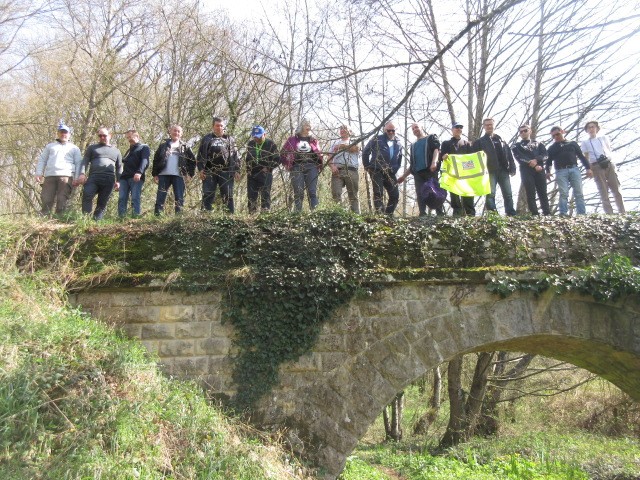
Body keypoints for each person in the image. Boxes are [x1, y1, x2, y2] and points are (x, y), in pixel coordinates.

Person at [35, 121, 82, 216]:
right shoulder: (50, 146)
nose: (63, 134)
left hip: (66, 176)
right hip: (50, 176)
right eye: (61, 132)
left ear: (69, 134)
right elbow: (42, 160)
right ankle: (44, 218)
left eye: (65, 132)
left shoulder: (74, 148)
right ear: (58, 133)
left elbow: (78, 163)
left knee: (62, 199)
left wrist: (77, 178)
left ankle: (60, 219)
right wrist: (39, 172)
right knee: (46, 198)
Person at [472, 118, 516, 216]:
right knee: (490, 194)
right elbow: (473, 157)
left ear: (493, 125)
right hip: (489, 170)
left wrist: (512, 168)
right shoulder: (480, 142)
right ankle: (493, 214)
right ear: (483, 127)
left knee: (508, 194)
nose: (489, 126)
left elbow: (509, 155)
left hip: (504, 170)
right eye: (487, 125)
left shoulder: (502, 140)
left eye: (490, 124)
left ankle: (511, 213)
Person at [545, 126, 593, 216]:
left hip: (574, 169)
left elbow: (581, 157)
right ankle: (563, 213)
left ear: (562, 132)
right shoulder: (551, 148)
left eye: (557, 134)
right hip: (560, 171)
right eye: (553, 136)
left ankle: (581, 213)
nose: (556, 137)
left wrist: (588, 168)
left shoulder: (572, 143)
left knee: (578, 192)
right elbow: (548, 161)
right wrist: (547, 171)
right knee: (563, 193)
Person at [581, 121, 625, 214]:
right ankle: (609, 214)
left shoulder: (604, 138)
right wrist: (588, 169)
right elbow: (586, 157)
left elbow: (608, 149)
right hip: (596, 166)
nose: (591, 129)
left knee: (616, 189)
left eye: (593, 127)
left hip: (608, 164)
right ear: (586, 130)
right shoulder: (585, 142)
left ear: (597, 128)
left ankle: (622, 212)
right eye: (589, 127)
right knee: (603, 191)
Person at [197, 116, 240, 213]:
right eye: (217, 125)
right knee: (208, 194)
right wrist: (200, 169)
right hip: (209, 171)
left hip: (226, 171)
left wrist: (237, 170)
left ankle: (229, 217)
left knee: (228, 195)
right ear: (213, 126)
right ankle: (205, 216)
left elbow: (235, 156)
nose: (219, 127)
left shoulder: (230, 139)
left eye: (221, 126)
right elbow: (200, 155)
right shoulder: (207, 138)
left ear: (224, 127)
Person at [398, 122, 442, 216]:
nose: (415, 130)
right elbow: (412, 164)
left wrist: (434, 162)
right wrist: (404, 176)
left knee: (434, 191)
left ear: (421, 127)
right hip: (418, 173)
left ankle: (440, 213)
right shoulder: (413, 145)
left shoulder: (430, 138)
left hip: (430, 170)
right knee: (420, 193)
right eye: (413, 129)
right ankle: (422, 214)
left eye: (416, 127)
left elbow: (436, 150)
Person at [78, 127, 122, 220]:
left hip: (109, 179)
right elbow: (85, 161)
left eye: (104, 135)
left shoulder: (116, 151)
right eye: (100, 135)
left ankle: (96, 222)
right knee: (87, 195)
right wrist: (82, 173)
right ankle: (85, 220)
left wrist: (119, 181)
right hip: (93, 177)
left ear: (110, 136)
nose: (102, 137)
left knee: (102, 203)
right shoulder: (92, 148)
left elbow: (119, 167)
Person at [151, 124, 196, 215]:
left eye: (178, 131)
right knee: (160, 197)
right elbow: (156, 160)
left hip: (179, 175)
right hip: (163, 175)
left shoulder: (185, 147)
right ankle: (157, 217)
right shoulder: (163, 146)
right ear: (170, 132)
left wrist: (190, 174)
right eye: (174, 131)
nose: (176, 133)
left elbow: (192, 161)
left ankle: (178, 218)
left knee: (179, 197)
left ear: (181, 134)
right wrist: (155, 174)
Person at [280, 119, 323, 212]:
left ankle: (315, 213)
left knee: (312, 191)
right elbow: (282, 153)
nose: (309, 126)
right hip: (296, 166)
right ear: (301, 126)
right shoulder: (292, 139)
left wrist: (319, 162)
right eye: (306, 125)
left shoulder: (314, 140)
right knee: (298, 192)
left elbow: (319, 153)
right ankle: (297, 214)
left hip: (311, 166)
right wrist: (286, 164)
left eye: (310, 125)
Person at [362, 121, 402, 215]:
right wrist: (367, 167)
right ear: (384, 130)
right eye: (389, 131)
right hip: (376, 169)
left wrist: (396, 168)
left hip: (391, 172)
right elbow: (365, 152)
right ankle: (380, 216)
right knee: (378, 193)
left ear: (396, 130)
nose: (391, 132)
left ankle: (388, 215)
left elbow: (400, 158)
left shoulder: (399, 143)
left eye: (393, 130)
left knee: (395, 195)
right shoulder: (377, 139)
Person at [511, 125, 550, 215]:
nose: (523, 133)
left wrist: (536, 160)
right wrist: (534, 164)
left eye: (525, 130)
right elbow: (519, 158)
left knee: (543, 192)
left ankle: (547, 213)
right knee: (530, 192)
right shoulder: (516, 146)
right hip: (526, 170)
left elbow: (545, 155)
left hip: (540, 170)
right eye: (521, 132)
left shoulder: (539, 143)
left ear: (530, 131)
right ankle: (534, 214)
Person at [440, 122, 475, 216]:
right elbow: (441, 157)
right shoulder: (446, 143)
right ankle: (457, 212)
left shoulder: (467, 144)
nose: (459, 129)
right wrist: (444, 156)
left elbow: (471, 159)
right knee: (454, 194)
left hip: (465, 172)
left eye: (461, 127)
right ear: (452, 130)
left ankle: (470, 213)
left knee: (468, 192)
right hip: (452, 173)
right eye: (457, 127)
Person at [245, 125, 280, 213]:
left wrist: (269, 167)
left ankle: (265, 213)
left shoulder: (271, 144)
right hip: (252, 173)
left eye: (259, 136)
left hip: (265, 173)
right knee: (251, 195)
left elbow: (278, 159)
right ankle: (251, 214)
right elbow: (248, 158)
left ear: (264, 134)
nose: (257, 138)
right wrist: (248, 169)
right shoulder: (251, 144)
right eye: (255, 136)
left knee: (265, 194)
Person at [329, 124, 360, 213]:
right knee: (336, 193)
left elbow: (355, 149)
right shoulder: (334, 143)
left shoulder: (354, 140)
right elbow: (329, 157)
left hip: (352, 170)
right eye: (341, 128)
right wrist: (332, 166)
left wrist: (341, 146)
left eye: (344, 128)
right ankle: (338, 216)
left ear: (350, 131)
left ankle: (356, 217)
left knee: (353, 196)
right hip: (338, 171)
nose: (342, 130)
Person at [118, 129, 150, 217]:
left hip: (136, 177)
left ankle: (135, 218)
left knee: (135, 198)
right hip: (124, 178)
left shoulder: (144, 147)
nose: (129, 139)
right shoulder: (129, 151)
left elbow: (145, 161)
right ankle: (121, 218)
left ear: (137, 136)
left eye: (130, 137)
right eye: (127, 137)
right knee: (122, 198)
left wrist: (139, 172)